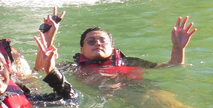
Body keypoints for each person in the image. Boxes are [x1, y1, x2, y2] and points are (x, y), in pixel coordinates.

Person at [70, 16, 198, 77]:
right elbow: (50, 72)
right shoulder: (73, 68)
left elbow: (172, 67)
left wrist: (178, 48)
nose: (97, 43)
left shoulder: (130, 62)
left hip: (143, 93)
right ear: (82, 50)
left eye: (103, 41)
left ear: (112, 48)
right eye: (91, 41)